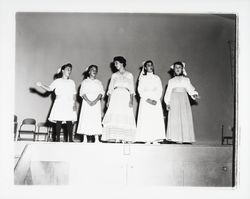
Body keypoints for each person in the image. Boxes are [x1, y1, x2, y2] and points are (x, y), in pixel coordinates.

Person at [36, 63, 77, 142]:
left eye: (70, 69)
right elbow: (49, 89)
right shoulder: (57, 81)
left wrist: (74, 104)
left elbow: (74, 94)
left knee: (69, 121)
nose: (69, 71)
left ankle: (71, 139)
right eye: (67, 69)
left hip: (69, 103)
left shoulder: (72, 82)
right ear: (63, 70)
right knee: (59, 120)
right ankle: (57, 139)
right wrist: (41, 85)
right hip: (60, 102)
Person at [102, 56, 136, 143]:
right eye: (114, 64)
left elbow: (132, 89)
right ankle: (116, 136)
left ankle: (124, 137)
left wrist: (131, 100)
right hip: (115, 97)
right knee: (115, 115)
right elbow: (110, 89)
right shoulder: (114, 75)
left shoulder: (129, 75)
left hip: (125, 96)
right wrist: (109, 101)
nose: (115, 65)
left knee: (124, 115)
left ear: (122, 63)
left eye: (116, 63)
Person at [164, 61, 199, 144]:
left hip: (183, 100)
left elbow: (190, 89)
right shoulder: (171, 81)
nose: (178, 69)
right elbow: (168, 92)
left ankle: (185, 138)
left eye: (179, 67)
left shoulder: (186, 80)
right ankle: (176, 138)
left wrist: (194, 94)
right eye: (176, 68)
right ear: (174, 70)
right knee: (175, 119)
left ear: (182, 69)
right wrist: (167, 103)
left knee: (184, 118)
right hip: (174, 100)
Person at [135, 60, 166, 144]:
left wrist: (155, 99)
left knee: (154, 119)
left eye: (152, 65)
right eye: (148, 65)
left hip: (155, 101)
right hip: (145, 101)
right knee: (147, 119)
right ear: (145, 67)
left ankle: (155, 139)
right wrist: (148, 99)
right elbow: (140, 90)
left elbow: (160, 89)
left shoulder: (157, 78)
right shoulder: (142, 78)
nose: (150, 67)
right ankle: (147, 138)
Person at [76, 65, 104, 143]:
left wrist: (95, 101)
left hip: (96, 103)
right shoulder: (85, 82)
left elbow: (101, 93)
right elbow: (82, 93)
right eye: (92, 70)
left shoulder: (98, 82)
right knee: (86, 118)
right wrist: (88, 101)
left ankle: (96, 139)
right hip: (86, 103)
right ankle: (84, 138)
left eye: (95, 70)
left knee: (95, 119)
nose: (94, 71)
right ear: (89, 72)